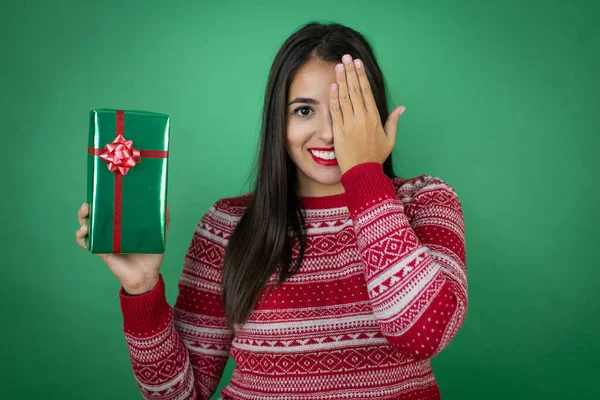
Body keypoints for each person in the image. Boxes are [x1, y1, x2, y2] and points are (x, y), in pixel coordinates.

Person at [75, 21, 468, 400]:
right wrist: (142, 289)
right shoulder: (226, 225)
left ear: (375, 116)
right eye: (304, 111)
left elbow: (422, 335)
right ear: (277, 120)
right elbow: (181, 394)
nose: (329, 133)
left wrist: (365, 175)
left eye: (347, 111)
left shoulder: (426, 201)